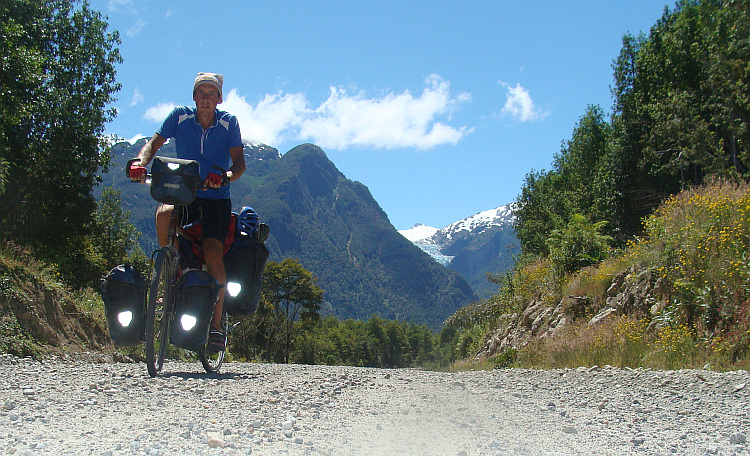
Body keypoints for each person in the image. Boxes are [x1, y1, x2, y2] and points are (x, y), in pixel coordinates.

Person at [127, 72, 246, 352]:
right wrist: (140, 162)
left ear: (219, 98)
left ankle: (216, 326)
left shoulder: (229, 123)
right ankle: (169, 269)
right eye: (201, 92)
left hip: (216, 196)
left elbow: (239, 163)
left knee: (213, 251)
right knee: (163, 213)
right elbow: (153, 145)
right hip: (185, 189)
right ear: (193, 97)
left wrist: (225, 176)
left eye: (211, 93)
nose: (206, 98)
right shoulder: (179, 117)